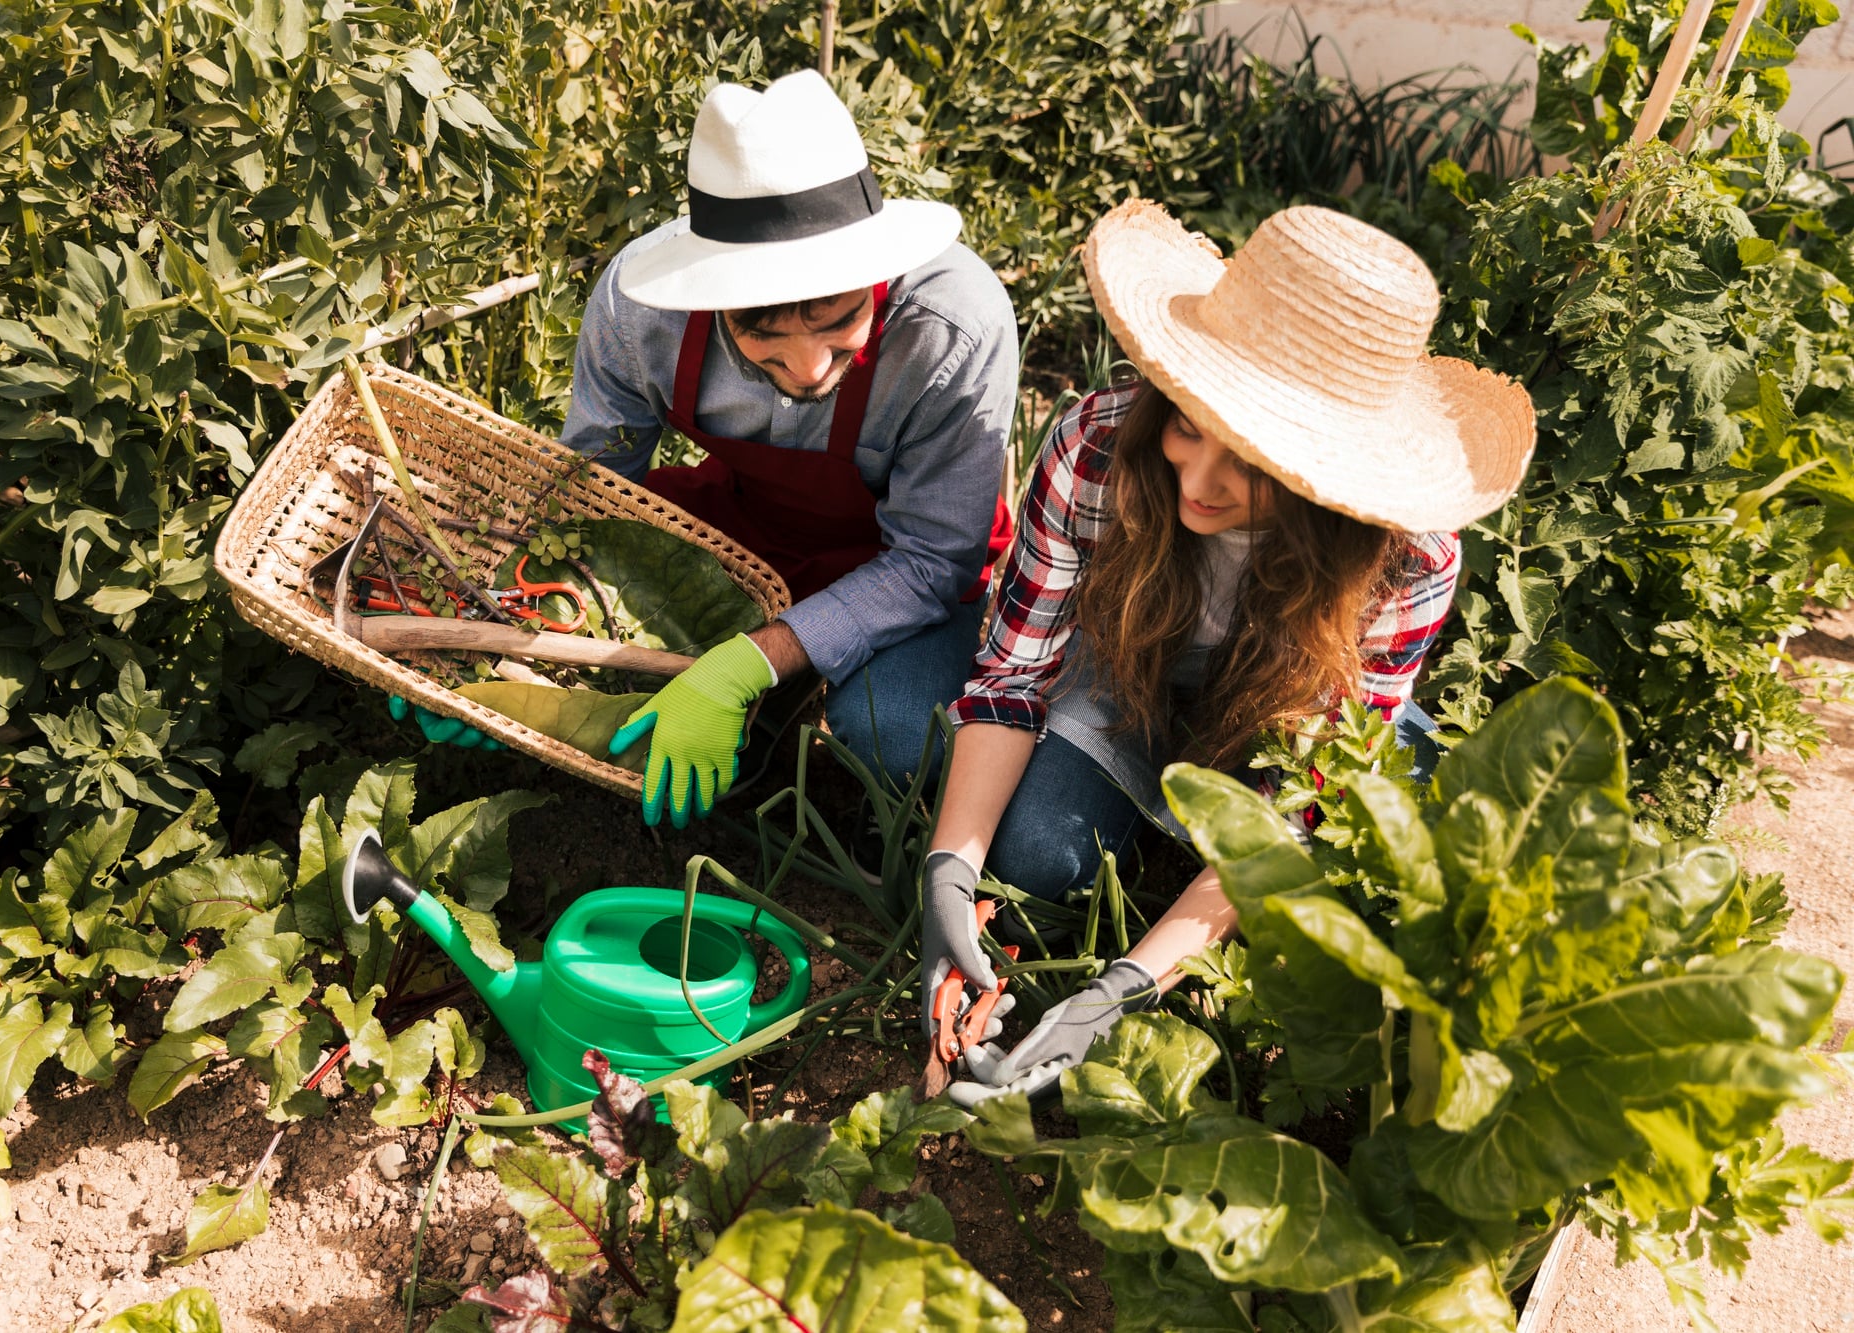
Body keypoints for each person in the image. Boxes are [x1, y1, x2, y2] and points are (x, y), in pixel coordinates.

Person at [922, 199, 1535, 1104]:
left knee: (1361, 888)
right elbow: (1017, 673)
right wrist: (947, 873)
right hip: (1132, 683)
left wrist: (1123, 990)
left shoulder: (1407, 559)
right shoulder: (1098, 448)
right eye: (1186, 425)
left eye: (1249, 465)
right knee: (1038, 855)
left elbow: (1299, 802)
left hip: (1281, 730)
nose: (1196, 484)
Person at [542, 69, 1017, 828]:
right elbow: (595, 498)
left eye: (837, 320)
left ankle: (784, 694)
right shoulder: (640, 314)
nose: (808, 366)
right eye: (761, 333)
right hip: (742, 528)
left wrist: (752, 660)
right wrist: (506, 631)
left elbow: (934, 559)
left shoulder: (955, 326)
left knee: (894, 734)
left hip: (900, 568)